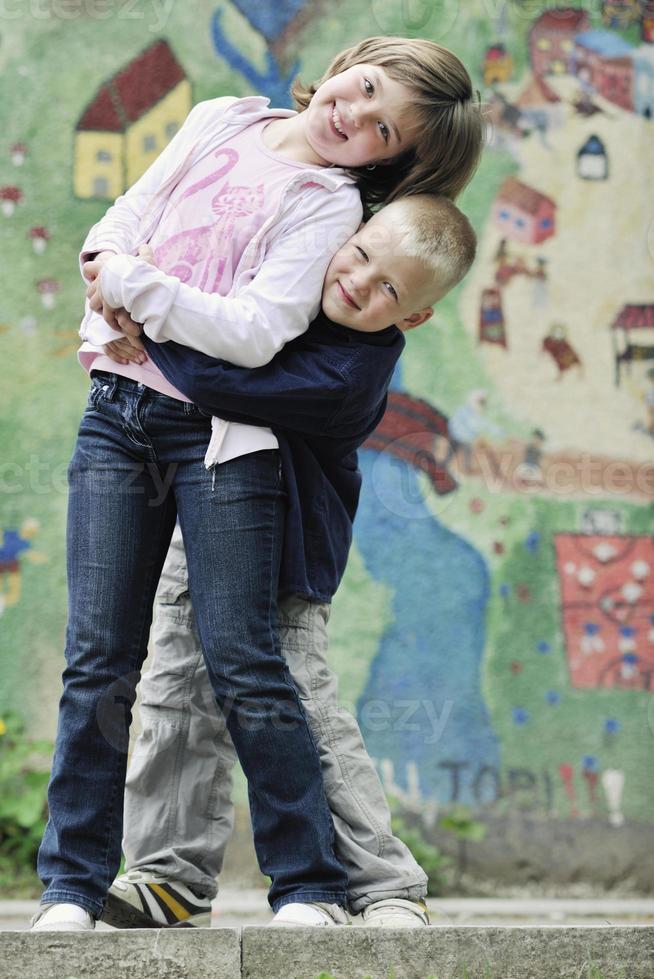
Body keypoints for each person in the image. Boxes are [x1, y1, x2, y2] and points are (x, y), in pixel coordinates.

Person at [32, 36, 484, 932]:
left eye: (380, 125)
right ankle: (129, 881)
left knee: (264, 673)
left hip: (249, 482)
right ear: (347, 63)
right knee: (137, 670)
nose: (353, 114)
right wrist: (114, 279)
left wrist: (139, 306)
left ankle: (355, 884)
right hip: (130, 425)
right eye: (361, 88)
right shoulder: (226, 126)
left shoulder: (332, 229)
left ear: (385, 165)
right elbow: (123, 223)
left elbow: (241, 351)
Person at [97, 195, 477, 929]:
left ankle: (385, 884)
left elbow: (222, 382)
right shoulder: (292, 286)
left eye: (390, 290)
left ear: (414, 317)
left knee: (296, 703)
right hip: (199, 518)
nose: (361, 283)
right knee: (174, 688)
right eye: (362, 255)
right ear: (350, 236)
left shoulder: (351, 367)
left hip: (286, 553)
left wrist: (149, 328)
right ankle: (166, 877)